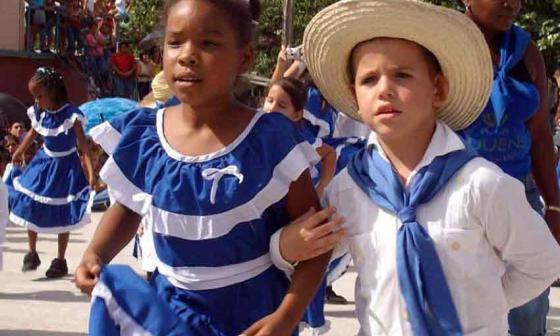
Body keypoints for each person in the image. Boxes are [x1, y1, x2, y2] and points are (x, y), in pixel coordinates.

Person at [271, 1, 560, 335]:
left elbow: (542, 263)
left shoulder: (481, 184)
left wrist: (481, 303)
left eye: (402, 75)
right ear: (354, 95)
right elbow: (307, 261)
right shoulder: (349, 189)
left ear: (437, 89)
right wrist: (285, 246)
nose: (385, 89)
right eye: (369, 79)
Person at [75, 1, 331, 335]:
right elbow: (129, 207)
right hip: (170, 315)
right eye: (175, 42)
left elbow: (318, 243)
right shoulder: (146, 135)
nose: (187, 56)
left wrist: (285, 317)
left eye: (208, 43)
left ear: (244, 58)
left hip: (252, 316)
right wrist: (96, 253)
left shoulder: (270, 141)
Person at [458, 1, 560, 334]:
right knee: (465, 308)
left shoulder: (525, 50)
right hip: (458, 200)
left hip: (520, 195)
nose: (511, 3)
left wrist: (555, 207)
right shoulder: (445, 45)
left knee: (529, 308)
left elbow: (541, 133)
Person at [8, 67, 94, 278]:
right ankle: (32, 252)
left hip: (66, 167)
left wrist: (90, 172)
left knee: (63, 210)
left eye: (39, 96)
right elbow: (33, 132)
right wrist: (20, 150)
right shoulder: (40, 112)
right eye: (34, 97)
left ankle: (60, 260)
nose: (36, 101)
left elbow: (83, 146)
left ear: (52, 91)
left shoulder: (70, 115)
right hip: (44, 162)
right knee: (31, 202)